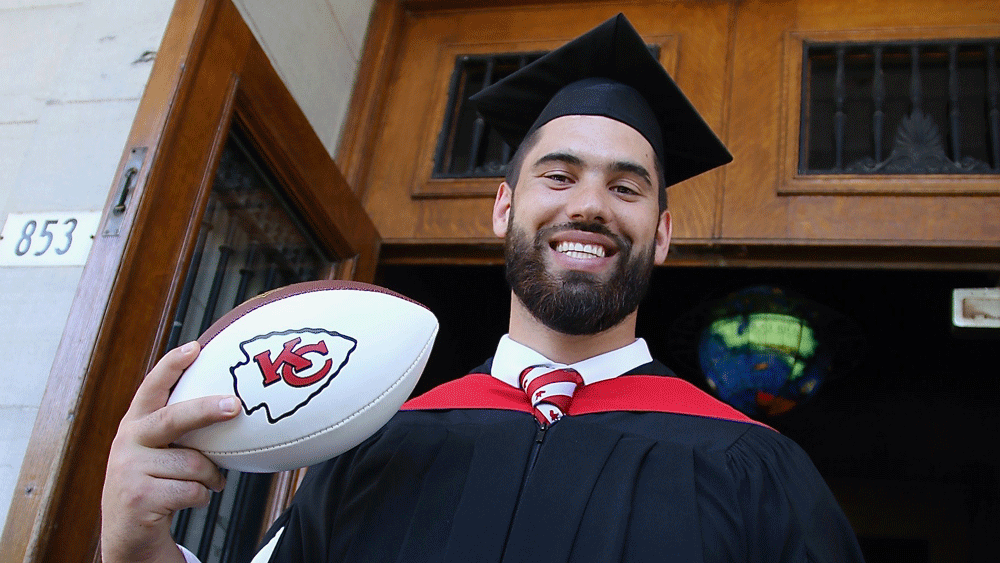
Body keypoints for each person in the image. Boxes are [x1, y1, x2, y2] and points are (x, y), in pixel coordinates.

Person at [101, 14, 865, 563]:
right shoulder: (377, 446)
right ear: (505, 207)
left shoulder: (752, 466)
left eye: (626, 188)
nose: (589, 205)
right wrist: (137, 548)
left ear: (661, 233)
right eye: (558, 175)